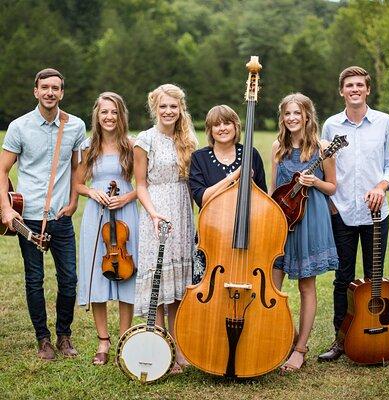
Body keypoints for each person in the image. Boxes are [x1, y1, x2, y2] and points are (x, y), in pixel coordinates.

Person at [0, 68, 86, 360]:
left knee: (70, 279)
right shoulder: (19, 127)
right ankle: (43, 339)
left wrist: (74, 202)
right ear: (36, 91)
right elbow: (2, 170)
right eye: (45, 87)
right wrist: (6, 207)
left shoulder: (75, 126)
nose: (50, 92)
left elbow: (78, 168)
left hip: (60, 218)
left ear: (62, 93)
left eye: (56, 88)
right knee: (34, 280)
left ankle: (64, 336)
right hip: (29, 217)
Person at [318, 66, 389, 361]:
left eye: (360, 85)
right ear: (341, 91)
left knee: (372, 279)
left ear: (368, 90)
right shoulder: (331, 126)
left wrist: (381, 186)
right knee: (343, 279)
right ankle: (341, 340)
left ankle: (375, 333)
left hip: (377, 213)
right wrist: (331, 205)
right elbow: (327, 167)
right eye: (349, 85)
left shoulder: (384, 123)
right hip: (341, 212)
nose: (354, 89)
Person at [270, 93, 339, 373]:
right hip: (282, 221)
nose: (292, 118)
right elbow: (274, 190)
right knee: (272, 286)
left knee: (305, 285)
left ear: (308, 116)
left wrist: (315, 182)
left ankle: (300, 349)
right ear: (282, 118)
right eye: (288, 113)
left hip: (310, 219)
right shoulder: (278, 146)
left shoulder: (322, 148)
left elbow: (333, 187)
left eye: (297, 113)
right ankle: (290, 335)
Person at [134, 83, 197, 373]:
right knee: (159, 285)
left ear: (180, 108)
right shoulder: (144, 140)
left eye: (174, 106)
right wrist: (154, 213)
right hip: (156, 211)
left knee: (178, 288)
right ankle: (161, 350)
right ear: (154, 108)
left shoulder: (187, 139)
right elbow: (141, 184)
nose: (169, 111)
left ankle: (180, 349)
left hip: (183, 210)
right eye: (163, 106)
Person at [75, 92, 139, 365]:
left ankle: (124, 337)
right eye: (104, 112)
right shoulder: (88, 146)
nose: (109, 117)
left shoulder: (132, 145)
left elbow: (145, 185)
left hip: (126, 215)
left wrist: (126, 196)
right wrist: (91, 192)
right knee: (96, 277)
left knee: (128, 274)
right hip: (97, 216)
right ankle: (103, 340)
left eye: (114, 112)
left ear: (121, 115)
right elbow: (77, 184)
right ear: (97, 115)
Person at [189, 104, 267, 284]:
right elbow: (202, 197)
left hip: (246, 234)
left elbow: (263, 198)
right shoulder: (199, 158)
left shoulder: (251, 154)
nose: (222, 128)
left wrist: (251, 185)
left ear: (236, 126)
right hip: (211, 234)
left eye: (227, 123)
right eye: (216, 125)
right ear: (210, 130)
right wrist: (235, 176)